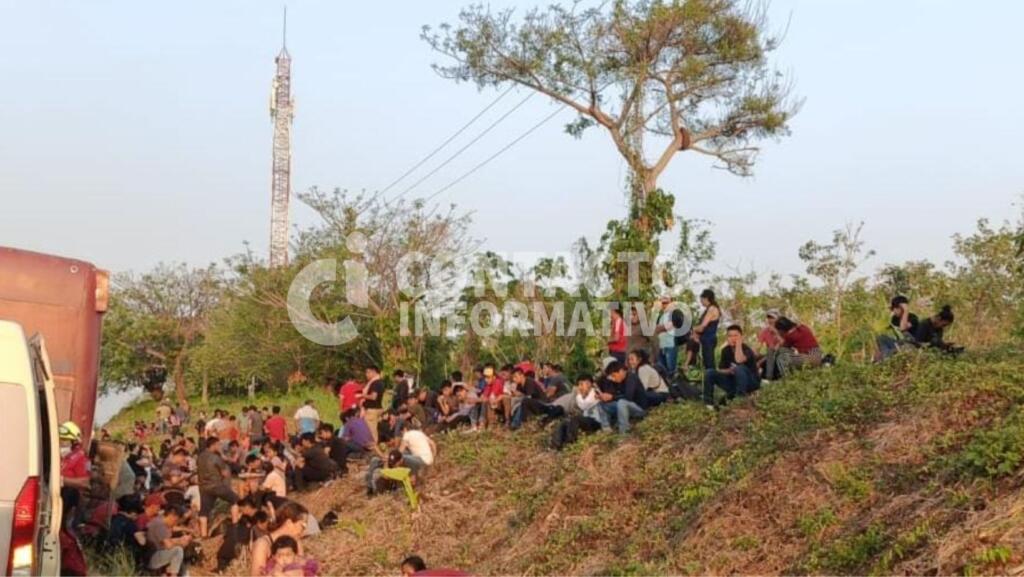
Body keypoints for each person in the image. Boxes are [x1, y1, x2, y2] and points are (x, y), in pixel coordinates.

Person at [704, 324, 761, 409]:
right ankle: (709, 404)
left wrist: (738, 344)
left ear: (741, 337)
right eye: (730, 336)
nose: (733, 338)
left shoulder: (747, 349)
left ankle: (739, 399)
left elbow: (739, 360)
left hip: (751, 383)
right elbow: (721, 369)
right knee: (710, 372)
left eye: (736, 336)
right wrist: (729, 371)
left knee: (739, 368)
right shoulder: (725, 350)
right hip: (734, 383)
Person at [250, 501, 309, 577]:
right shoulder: (262, 545)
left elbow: (303, 568)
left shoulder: (296, 542)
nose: (304, 531)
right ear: (289, 523)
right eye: (303, 526)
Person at [197, 436, 239, 537]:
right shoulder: (215, 457)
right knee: (235, 500)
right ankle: (235, 526)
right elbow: (225, 473)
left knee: (204, 511)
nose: (219, 446)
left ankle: (204, 535)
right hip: (216, 486)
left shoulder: (200, 457)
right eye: (218, 444)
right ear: (214, 445)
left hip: (203, 487)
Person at [597, 361, 646, 434]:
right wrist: (605, 397)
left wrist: (612, 397)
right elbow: (615, 395)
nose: (613, 379)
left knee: (621, 402)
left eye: (614, 376)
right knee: (601, 404)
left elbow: (628, 397)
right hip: (624, 407)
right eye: (611, 377)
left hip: (638, 408)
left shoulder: (631, 377)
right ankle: (606, 428)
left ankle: (624, 431)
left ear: (621, 371)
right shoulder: (618, 381)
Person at [146, 505, 191, 577]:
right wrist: (180, 542)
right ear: (173, 516)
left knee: (177, 549)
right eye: (176, 521)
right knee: (178, 550)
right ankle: (174, 575)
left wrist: (179, 540)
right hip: (153, 557)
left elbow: (166, 540)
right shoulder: (160, 525)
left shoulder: (159, 520)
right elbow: (169, 545)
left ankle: (177, 572)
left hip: (154, 553)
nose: (175, 524)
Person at [875, 296, 921, 361]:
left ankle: (889, 354)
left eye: (895, 308)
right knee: (881, 338)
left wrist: (906, 311)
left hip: (911, 344)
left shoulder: (913, 317)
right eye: (893, 309)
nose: (894, 311)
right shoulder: (894, 319)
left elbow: (903, 328)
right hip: (899, 344)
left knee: (906, 340)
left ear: (902, 308)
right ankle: (887, 355)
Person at [686, 289, 721, 372]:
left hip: (709, 339)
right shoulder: (708, 309)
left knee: (709, 364)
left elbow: (702, 327)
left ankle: (712, 381)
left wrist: (691, 329)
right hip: (705, 338)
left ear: (706, 298)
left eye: (701, 299)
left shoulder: (712, 309)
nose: (701, 301)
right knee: (705, 363)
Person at [654, 295, 686, 377]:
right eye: (662, 303)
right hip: (661, 345)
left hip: (670, 345)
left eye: (666, 303)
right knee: (661, 370)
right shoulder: (660, 316)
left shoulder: (676, 313)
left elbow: (670, 326)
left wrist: (660, 328)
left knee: (670, 369)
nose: (664, 305)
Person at [757, 309, 783, 379]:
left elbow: (776, 349)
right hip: (769, 356)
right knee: (754, 357)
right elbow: (757, 348)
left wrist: (760, 362)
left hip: (780, 355)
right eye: (769, 318)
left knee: (772, 355)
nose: (770, 320)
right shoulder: (764, 331)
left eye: (772, 318)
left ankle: (769, 377)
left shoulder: (783, 330)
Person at [363, 366, 386, 443]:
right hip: (375, 409)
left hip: (372, 410)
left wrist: (362, 395)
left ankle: (374, 448)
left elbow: (373, 397)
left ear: (374, 372)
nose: (366, 374)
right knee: (371, 430)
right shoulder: (378, 382)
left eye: (368, 372)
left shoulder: (376, 383)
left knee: (371, 431)